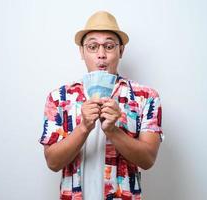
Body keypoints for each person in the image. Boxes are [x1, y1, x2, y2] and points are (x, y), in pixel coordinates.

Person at [39, 10, 164, 200]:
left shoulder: (145, 97)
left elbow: (147, 160)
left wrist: (113, 130)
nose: (101, 55)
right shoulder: (59, 98)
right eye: (92, 46)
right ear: (82, 51)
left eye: (109, 46)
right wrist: (83, 127)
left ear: (121, 51)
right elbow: (53, 162)